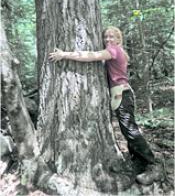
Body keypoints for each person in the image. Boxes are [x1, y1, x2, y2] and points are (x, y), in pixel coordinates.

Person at [49, 26, 154, 176]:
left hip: (122, 94)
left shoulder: (114, 50)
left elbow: (90, 56)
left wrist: (64, 54)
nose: (108, 39)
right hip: (121, 94)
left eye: (112, 37)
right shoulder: (116, 51)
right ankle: (138, 162)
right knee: (127, 129)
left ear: (118, 39)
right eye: (106, 37)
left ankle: (150, 163)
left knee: (129, 130)